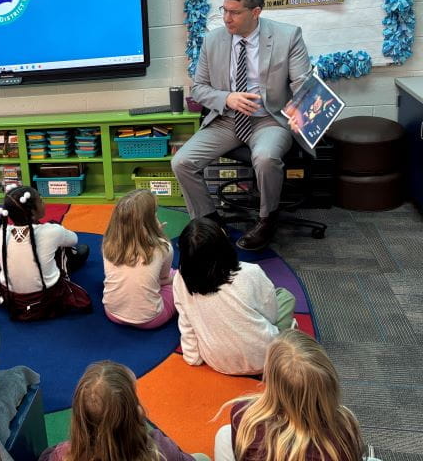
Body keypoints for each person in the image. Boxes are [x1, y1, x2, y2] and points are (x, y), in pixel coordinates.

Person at [170, 0, 311, 251]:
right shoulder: (213, 40)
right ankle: (209, 221)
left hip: (269, 118)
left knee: (266, 157)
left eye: (234, 12)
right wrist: (227, 98)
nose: (226, 18)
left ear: (255, 11)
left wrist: (311, 107)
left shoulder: (288, 36)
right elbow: (198, 89)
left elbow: (303, 84)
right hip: (227, 119)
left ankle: (267, 219)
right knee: (182, 162)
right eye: (223, 10)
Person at [214, 330, 366, 461]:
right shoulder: (346, 427)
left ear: (272, 380)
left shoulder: (244, 415)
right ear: (330, 381)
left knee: (224, 435)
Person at [172, 218, 296, 375]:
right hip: (267, 359)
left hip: (217, 361)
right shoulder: (251, 272)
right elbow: (270, 315)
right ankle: (288, 335)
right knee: (285, 296)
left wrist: (192, 356)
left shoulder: (180, 279)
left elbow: (186, 322)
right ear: (224, 248)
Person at [38, 360, 209, 461]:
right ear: (135, 412)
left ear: (79, 418)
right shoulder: (161, 449)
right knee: (202, 457)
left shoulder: (63, 454)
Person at [0, 186, 91, 321]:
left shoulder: (1, 232)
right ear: (32, 211)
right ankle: (71, 261)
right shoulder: (52, 231)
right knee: (67, 244)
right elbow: (74, 240)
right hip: (45, 297)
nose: (44, 203)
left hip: (12, 297)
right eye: (41, 201)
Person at [102, 190, 175, 329]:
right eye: (155, 214)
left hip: (112, 313)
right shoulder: (162, 247)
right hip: (151, 319)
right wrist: (158, 235)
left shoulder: (108, 242)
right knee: (177, 281)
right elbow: (163, 279)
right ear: (150, 222)